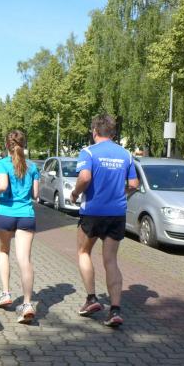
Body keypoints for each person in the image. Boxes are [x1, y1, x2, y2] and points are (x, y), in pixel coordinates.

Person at [70, 114, 138, 328]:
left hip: (93, 211)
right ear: (113, 133)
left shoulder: (89, 152)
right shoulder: (126, 154)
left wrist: (75, 194)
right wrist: (120, 194)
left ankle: (91, 299)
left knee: (83, 252)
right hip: (116, 213)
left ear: (94, 131)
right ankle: (115, 310)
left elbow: (85, 178)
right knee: (111, 260)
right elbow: (134, 184)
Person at [0, 130, 40, 324]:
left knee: (3, 252)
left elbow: (2, 185)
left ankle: (5, 293)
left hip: (4, 214)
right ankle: (27, 304)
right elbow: (36, 195)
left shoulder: (2, 163)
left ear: (6, 145)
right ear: (24, 144)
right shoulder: (33, 166)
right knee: (24, 260)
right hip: (26, 216)